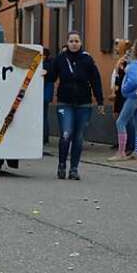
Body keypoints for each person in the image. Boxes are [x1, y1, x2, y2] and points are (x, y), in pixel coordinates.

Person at [46, 31, 104, 180]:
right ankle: (61, 165)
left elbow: (95, 80)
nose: (74, 44)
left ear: (81, 43)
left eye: (76, 41)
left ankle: (74, 168)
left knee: (78, 137)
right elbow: (52, 76)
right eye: (71, 41)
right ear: (67, 43)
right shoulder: (60, 58)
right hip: (65, 102)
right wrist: (45, 68)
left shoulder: (87, 59)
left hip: (84, 103)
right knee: (66, 134)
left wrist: (100, 100)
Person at [41, 47, 54, 146]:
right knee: (44, 116)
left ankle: (43, 137)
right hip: (46, 95)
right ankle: (45, 137)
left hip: (43, 95)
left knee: (42, 116)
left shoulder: (45, 65)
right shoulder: (51, 64)